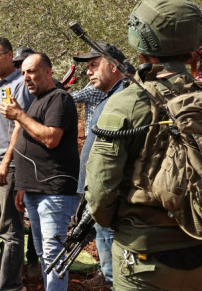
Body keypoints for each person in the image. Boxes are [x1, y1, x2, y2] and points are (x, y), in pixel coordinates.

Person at [86, 0, 202, 290]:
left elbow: (99, 193)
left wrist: (116, 223)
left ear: (140, 40)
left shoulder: (128, 102)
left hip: (145, 261)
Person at [0, 52, 79, 291]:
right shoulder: (38, 100)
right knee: (44, 252)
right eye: (23, 73)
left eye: (31, 71)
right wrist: (24, 186)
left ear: (48, 71)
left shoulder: (59, 98)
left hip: (53, 190)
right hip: (35, 190)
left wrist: (19, 115)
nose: (26, 77)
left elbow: (51, 139)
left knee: (53, 253)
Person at [71, 42, 129, 288]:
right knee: (103, 236)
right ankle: (107, 277)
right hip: (101, 189)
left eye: (94, 65)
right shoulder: (111, 97)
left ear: (114, 66)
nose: (88, 72)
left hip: (112, 191)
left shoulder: (123, 98)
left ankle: (113, 281)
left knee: (109, 236)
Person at [0, 40, 34, 291]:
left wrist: (5, 162)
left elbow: (20, 125)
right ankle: (8, 278)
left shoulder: (19, 84)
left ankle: (12, 286)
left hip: (10, 167)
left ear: (10, 55)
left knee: (12, 229)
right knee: (3, 227)